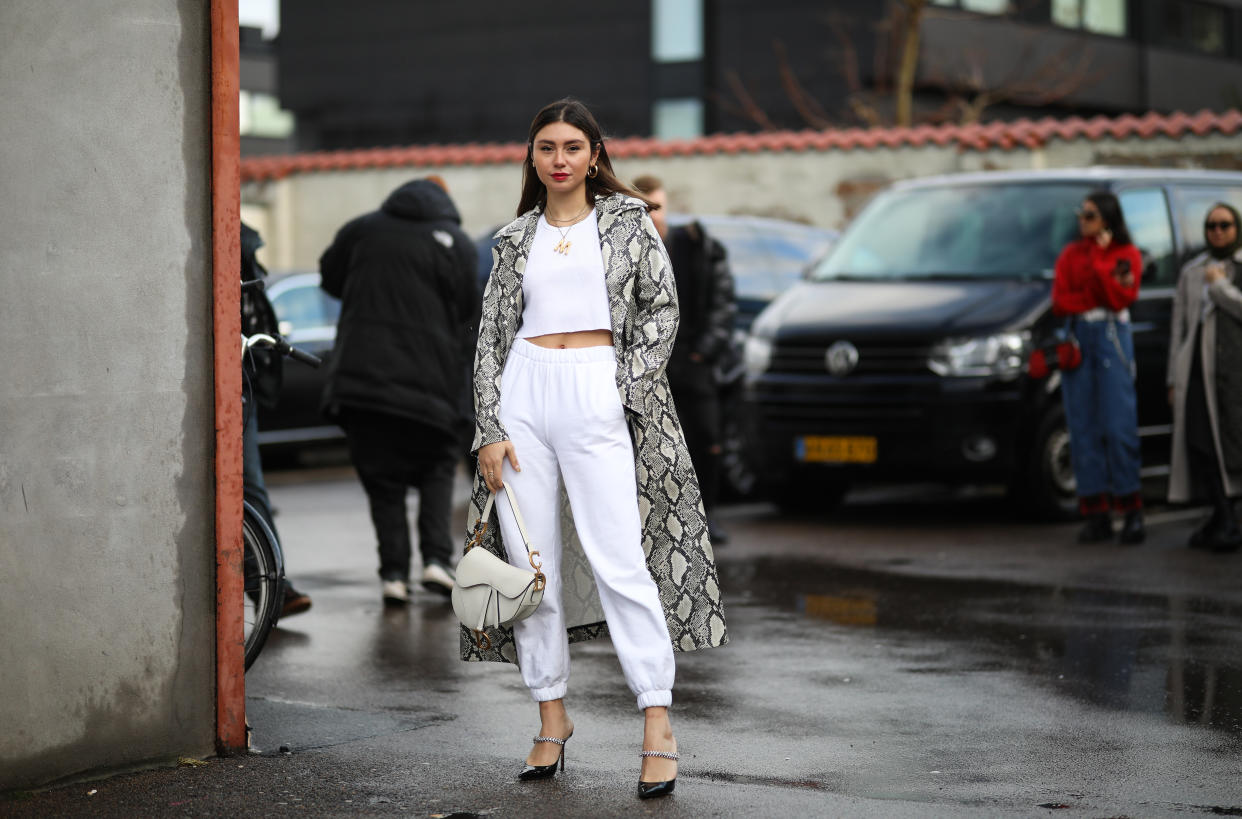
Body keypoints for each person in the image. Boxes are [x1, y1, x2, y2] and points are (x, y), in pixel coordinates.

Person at [465, 98, 727, 799]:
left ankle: (657, 719)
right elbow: (490, 338)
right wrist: (489, 427)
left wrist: (625, 387)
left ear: (594, 156)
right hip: (524, 394)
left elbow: (663, 310)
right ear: (532, 157)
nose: (558, 159)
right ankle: (551, 716)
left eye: (572, 147)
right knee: (531, 566)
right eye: (546, 146)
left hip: (598, 391)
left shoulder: (627, 221)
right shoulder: (513, 237)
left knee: (620, 560)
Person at [319, 177, 480, 604]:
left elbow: (330, 278)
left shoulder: (361, 230)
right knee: (437, 469)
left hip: (362, 386)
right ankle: (436, 561)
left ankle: (393, 574)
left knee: (383, 482)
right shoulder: (455, 243)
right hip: (431, 384)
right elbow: (470, 311)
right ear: (445, 202)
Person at [630, 174, 736, 545]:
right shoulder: (627, 252)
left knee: (706, 440)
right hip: (647, 367)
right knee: (648, 447)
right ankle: (657, 522)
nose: (653, 216)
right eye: (645, 209)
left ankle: (708, 517)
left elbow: (722, 306)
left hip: (692, 363)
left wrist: (703, 351)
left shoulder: (695, 247)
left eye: (657, 208)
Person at [1052, 191, 1145, 545]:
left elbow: (1122, 297)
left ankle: (1132, 510)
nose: (1083, 220)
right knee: (1083, 427)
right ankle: (1096, 513)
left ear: (1107, 219)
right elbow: (1060, 301)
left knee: (1118, 426)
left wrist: (1100, 264)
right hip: (1079, 334)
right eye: (1081, 214)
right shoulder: (1070, 254)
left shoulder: (1125, 255)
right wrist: (1092, 294)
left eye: (1089, 215)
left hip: (1111, 335)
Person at [241, 221, 311, 618]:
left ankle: (271, 586)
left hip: (239, 381)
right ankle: (271, 586)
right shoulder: (238, 243)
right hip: (237, 381)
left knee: (249, 488)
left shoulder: (239, 246)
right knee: (250, 488)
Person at [1167, 203, 1242, 552]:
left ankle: (1229, 518)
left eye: (1225, 225)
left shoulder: (1235, 268)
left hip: (1234, 373)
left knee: (1233, 442)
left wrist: (1222, 288)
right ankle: (1221, 514)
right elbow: (1179, 328)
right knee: (1201, 443)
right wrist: (1172, 379)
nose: (1218, 232)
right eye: (1211, 225)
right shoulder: (1192, 271)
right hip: (1198, 371)